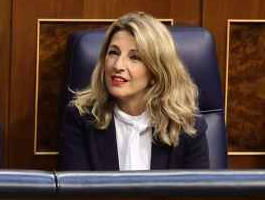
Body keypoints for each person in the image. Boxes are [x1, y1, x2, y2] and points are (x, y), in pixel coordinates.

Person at [58, 11, 209, 171]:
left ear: (156, 71)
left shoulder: (186, 126)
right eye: (113, 53)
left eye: (135, 57)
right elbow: (79, 192)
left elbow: (195, 194)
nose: (118, 66)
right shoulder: (81, 119)